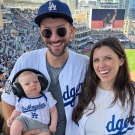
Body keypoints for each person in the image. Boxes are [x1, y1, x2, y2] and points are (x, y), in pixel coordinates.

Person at [1, 0, 89, 135]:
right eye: (47, 32)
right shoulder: (25, 60)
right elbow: (7, 100)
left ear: (71, 31)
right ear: (40, 33)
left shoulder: (85, 64)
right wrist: (18, 129)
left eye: (61, 31)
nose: (54, 38)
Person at [72, 37, 135, 135]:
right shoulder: (85, 90)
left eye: (108, 58)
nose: (101, 65)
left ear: (121, 60)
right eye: (96, 60)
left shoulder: (132, 93)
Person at [7, 70, 57, 135]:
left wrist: (53, 125)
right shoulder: (21, 100)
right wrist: (11, 118)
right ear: (20, 89)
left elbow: (53, 111)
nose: (33, 84)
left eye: (36, 82)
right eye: (27, 84)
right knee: (15, 125)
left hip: (42, 125)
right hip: (24, 120)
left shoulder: (46, 96)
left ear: (41, 83)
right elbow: (17, 111)